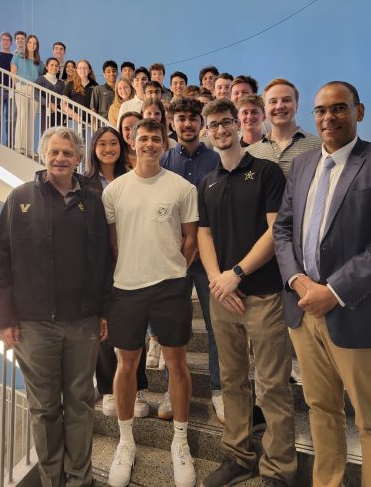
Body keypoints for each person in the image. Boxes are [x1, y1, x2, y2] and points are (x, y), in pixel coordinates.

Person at [0, 126, 112, 487]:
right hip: (33, 326)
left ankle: (80, 478)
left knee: (80, 405)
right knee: (44, 409)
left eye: (67, 153)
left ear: (78, 158)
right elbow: (0, 261)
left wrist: (103, 311)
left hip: (82, 323)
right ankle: (52, 480)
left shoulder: (93, 201)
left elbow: (103, 261)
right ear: (44, 155)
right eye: (54, 152)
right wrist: (4, 319)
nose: (60, 158)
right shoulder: (20, 198)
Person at [273, 81, 371, 487]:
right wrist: (297, 279)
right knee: (321, 410)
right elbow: (283, 230)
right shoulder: (303, 165)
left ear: (359, 111)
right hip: (304, 313)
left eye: (339, 108)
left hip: (354, 311)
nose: (328, 117)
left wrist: (332, 291)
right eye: (321, 110)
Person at [198, 98, 296, 487]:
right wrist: (217, 281)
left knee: (272, 385)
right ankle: (239, 456)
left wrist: (236, 274)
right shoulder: (207, 181)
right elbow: (204, 235)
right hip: (222, 296)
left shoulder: (266, 171)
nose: (221, 130)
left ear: (238, 125)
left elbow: (275, 232)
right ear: (207, 132)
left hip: (263, 295)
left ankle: (279, 469)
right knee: (232, 381)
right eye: (213, 125)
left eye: (226, 122)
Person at [102, 118, 199, 487]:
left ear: (164, 143)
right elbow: (113, 244)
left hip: (170, 287)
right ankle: (126, 441)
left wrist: (170, 270)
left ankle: (180, 441)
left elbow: (190, 240)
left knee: (177, 363)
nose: (149, 144)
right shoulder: (115, 190)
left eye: (156, 139)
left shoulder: (183, 188)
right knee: (126, 364)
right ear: (132, 142)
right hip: (126, 288)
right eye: (143, 138)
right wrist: (135, 268)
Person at [159, 98, 223, 423]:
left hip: (209, 257)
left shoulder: (216, 159)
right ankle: (172, 390)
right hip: (174, 259)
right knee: (174, 328)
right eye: (181, 118)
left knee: (216, 327)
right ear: (172, 123)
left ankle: (219, 390)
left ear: (201, 124)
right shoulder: (163, 160)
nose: (187, 124)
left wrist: (198, 242)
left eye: (193, 118)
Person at [84, 127, 149, 419]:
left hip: (133, 259)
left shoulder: (134, 176)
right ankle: (109, 387)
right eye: (102, 144)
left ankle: (138, 387)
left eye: (113, 143)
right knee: (103, 327)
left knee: (136, 324)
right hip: (99, 264)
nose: (109, 148)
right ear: (93, 149)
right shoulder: (84, 184)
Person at [246, 78, 321, 178]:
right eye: (273, 101)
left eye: (286, 100)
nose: (279, 106)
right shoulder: (249, 153)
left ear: (297, 105)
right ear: (265, 109)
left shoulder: (319, 147)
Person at [11, 34, 45, 156]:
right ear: (26, 44)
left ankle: (29, 149)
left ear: (37, 46)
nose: (32, 45)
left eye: (34, 43)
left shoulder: (39, 62)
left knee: (31, 118)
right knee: (22, 115)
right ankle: (19, 147)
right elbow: (13, 74)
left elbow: (41, 77)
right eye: (30, 42)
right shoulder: (17, 56)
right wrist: (17, 87)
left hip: (34, 91)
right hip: (22, 87)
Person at [62, 59, 98, 128]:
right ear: (76, 70)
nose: (83, 70)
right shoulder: (70, 84)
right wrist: (73, 115)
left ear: (89, 70)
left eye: (85, 68)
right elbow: (63, 104)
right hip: (73, 120)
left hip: (90, 122)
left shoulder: (95, 85)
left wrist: (94, 122)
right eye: (80, 68)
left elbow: (96, 106)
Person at [35, 57, 66, 132]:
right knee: (46, 133)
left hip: (59, 112)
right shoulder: (41, 79)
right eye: (52, 65)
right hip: (46, 110)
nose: (54, 67)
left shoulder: (61, 83)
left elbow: (64, 99)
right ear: (46, 67)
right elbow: (35, 93)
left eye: (56, 66)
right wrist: (48, 103)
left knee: (58, 133)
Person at [0, 31, 13, 145]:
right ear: (0, 42)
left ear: (11, 43)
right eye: (3, 40)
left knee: (11, 118)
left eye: (7, 40)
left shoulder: (14, 57)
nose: (5, 42)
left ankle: (10, 143)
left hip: (12, 90)